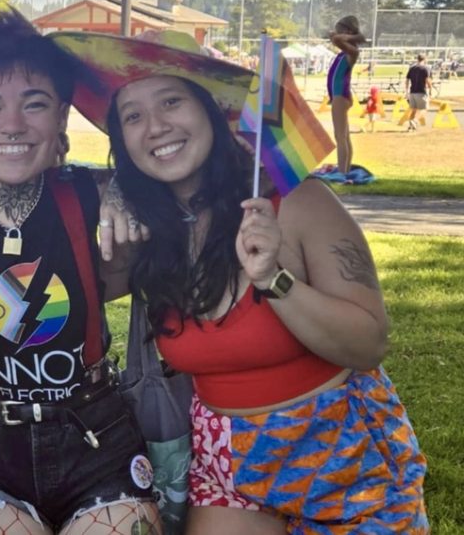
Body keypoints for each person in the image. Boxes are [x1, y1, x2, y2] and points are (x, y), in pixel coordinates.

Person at [66, 29, 428, 534]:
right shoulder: (153, 230)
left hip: (340, 450)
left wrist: (274, 279)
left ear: (212, 108)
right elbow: (59, 261)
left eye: (172, 100)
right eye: (133, 116)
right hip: (224, 459)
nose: (154, 127)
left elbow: (368, 344)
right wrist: (115, 193)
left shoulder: (297, 203)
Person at [0, 10, 161, 535]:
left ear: (62, 116)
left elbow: (194, 192)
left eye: (34, 104)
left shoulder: (103, 202)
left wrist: (128, 191)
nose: (13, 125)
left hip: (95, 433)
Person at [326, 15, 366, 174]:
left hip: (340, 96)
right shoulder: (345, 52)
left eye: (340, 30)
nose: (336, 34)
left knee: (340, 137)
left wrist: (345, 35)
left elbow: (336, 39)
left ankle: (342, 172)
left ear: (348, 31)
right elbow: (335, 39)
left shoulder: (352, 52)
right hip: (339, 95)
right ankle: (346, 169)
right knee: (345, 136)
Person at [405, 53, 432, 132]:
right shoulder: (425, 68)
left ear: (417, 59)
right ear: (424, 59)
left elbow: (407, 80)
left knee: (413, 109)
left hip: (412, 91)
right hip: (421, 91)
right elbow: (427, 80)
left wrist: (406, 91)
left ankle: (410, 127)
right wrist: (430, 89)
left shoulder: (412, 68)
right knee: (425, 108)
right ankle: (415, 121)